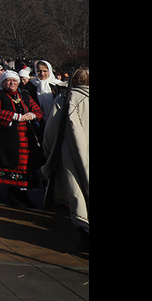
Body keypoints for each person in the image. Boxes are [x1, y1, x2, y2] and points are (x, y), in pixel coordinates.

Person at [41, 68, 89, 247]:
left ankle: (84, 233)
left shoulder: (65, 98)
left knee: (77, 191)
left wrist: (48, 149)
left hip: (72, 152)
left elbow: (52, 128)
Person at [0, 70, 44, 208]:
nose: (11, 83)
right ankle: (12, 196)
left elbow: (38, 111)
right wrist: (16, 116)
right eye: (8, 81)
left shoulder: (24, 95)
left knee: (25, 167)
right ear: (3, 82)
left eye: (14, 81)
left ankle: (23, 196)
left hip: (25, 137)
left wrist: (31, 115)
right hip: (7, 137)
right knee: (11, 164)